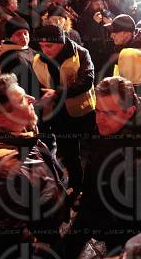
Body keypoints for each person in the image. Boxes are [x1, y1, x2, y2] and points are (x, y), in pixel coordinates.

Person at [0, 74, 68, 258]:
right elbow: (12, 238)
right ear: (3, 119)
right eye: (22, 99)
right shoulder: (5, 174)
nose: (32, 99)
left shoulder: (20, 133)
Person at [73, 76, 141, 252]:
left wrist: (94, 222)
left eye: (109, 113)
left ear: (130, 111)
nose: (99, 120)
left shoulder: (137, 159)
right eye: (97, 111)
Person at [32, 24, 95, 192]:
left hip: (83, 111)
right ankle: (77, 184)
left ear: (61, 42)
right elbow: (38, 84)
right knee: (69, 153)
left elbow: (86, 81)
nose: (45, 50)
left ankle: (94, 181)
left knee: (91, 149)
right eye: (42, 46)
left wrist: (57, 93)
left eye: (49, 46)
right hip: (58, 115)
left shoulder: (80, 53)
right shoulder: (39, 60)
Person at [0, 17, 41, 98]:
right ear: (10, 38)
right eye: (18, 34)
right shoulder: (14, 58)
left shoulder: (26, 49)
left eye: (25, 33)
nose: (23, 37)